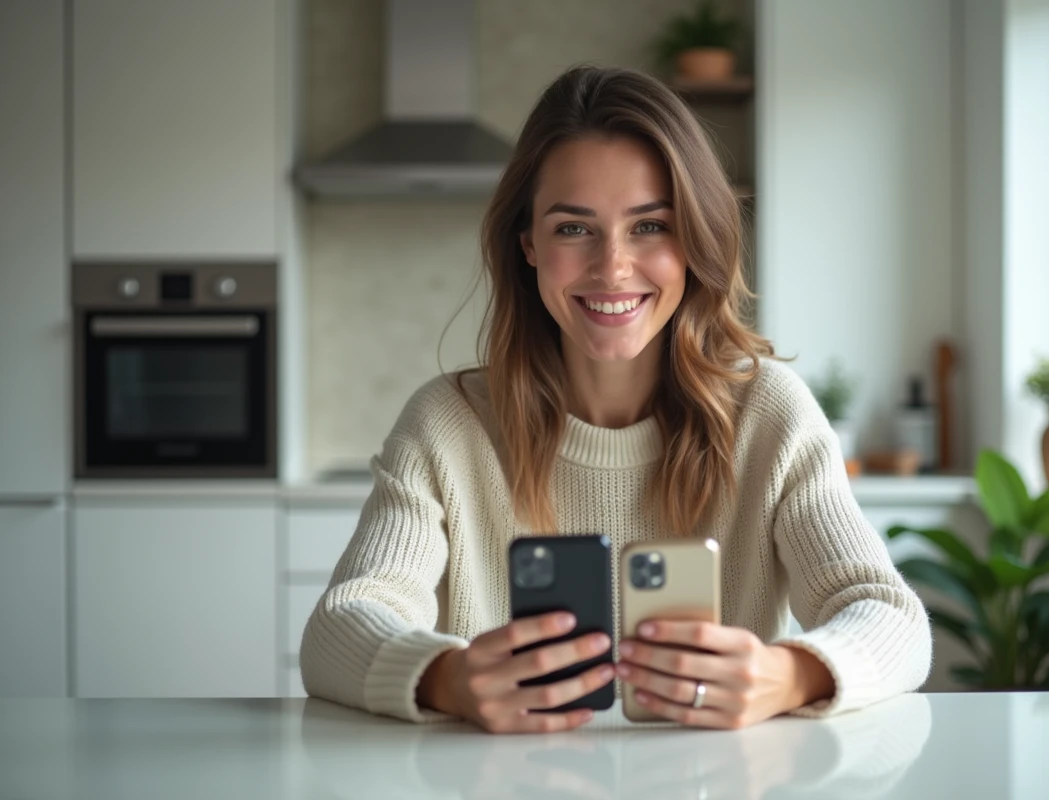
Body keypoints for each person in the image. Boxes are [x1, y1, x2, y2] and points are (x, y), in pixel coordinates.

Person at [300, 65, 931, 734]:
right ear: (530, 247)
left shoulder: (770, 413)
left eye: (650, 226)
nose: (613, 267)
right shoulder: (447, 425)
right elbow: (340, 626)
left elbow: (890, 616)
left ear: (694, 241)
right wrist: (446, 679)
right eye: (574, 229)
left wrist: (790, 675)